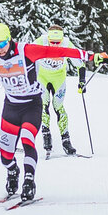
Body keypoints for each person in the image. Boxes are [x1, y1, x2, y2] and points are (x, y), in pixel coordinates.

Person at [0, 22, 108, 203]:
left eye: (2, 44)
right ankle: (13, 172)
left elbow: (59, 52)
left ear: (9, 39)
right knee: (5, 156)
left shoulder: (26, 50)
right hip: (11, 108)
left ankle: (29, 181)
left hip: (31, 106)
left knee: (28, 141)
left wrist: (92, 56)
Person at [32, 24, 86, 156]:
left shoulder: (67, 44)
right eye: (52, 42)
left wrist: (82, 81)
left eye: (58, 42)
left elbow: (80, 64)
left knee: (58, 107)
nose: (55, 45)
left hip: (59, 79)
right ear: (48, 38)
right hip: (42, 78)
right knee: (43, 105)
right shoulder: (41, 41)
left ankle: (66, 140)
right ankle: (46, 135)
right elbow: (26, 56)